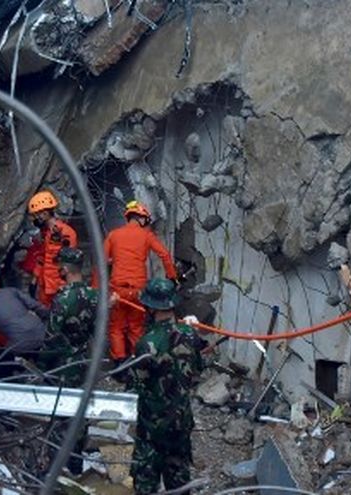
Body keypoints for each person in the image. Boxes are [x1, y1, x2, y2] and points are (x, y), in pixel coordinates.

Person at [130, 278, 204, 494]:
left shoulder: (147, 343)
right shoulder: (190, 334)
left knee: (145, 478)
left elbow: (136, 383)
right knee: (178, 476)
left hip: (153, 423)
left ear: (151, 307)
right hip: (181, 418)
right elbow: (197, 369)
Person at [103, 200, 177, 365]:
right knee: (136, 327)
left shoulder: (113, 235)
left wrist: (96, 288)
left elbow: (101, 262)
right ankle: (137, 362)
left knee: (116, 328)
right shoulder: (146, 235)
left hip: (118, 291)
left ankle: (119, 363)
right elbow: (164, 255)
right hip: (138, 291)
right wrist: (172, 277)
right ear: (141, 218)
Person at [44, 247, 98, 387]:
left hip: (63, 365)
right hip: (86, 360)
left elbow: (51, 337)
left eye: (59, 266)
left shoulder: (62, 299)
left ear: (65, 269)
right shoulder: (94, 295)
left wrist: (41, 365)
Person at [27, 191, 77, 307]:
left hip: (58, 286)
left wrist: (67, 286)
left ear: (45, 213)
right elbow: (42, 257)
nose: (35, 219)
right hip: (46, 286)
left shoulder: (66, 233)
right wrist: (35, 278)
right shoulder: (46, 233)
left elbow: (70, 262)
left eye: (36, 215)